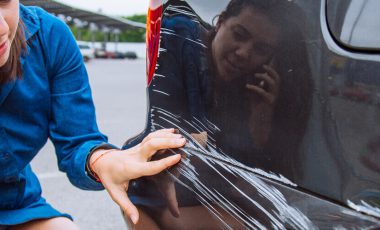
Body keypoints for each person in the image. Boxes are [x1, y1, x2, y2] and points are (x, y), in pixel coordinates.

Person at [0, 1, 186, 229]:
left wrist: (104, 162)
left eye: (4, 2)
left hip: (13, 203)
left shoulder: (50, 37)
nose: (1, 27)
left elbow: (77, 140)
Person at [130, 0, 313, 228]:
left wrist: (261, 119)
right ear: (221, 21)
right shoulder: (184, 46)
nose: (244, 53)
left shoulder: (246, 91)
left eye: (261, 49)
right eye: (239, 34)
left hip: (191, 194)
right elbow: (173, 143)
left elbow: (258, 175)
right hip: (157, 192)